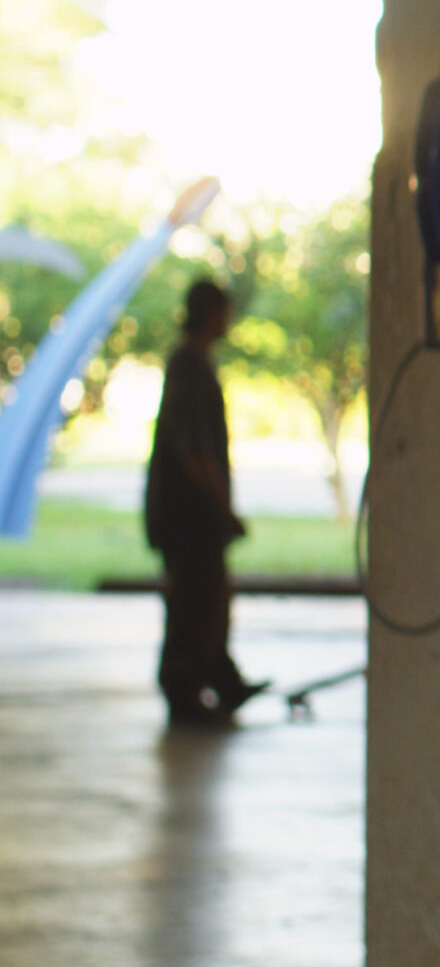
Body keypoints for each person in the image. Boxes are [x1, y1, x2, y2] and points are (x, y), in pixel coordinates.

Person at [144, 278, 264, 726]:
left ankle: (220, 676)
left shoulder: (193, 363)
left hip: (193, 512)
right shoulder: (190, 367)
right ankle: (183, 686)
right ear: (210, 313)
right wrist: (222, 506)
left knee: (210, 596)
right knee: (194, 598)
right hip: (188, 513)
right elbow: (194, 450)